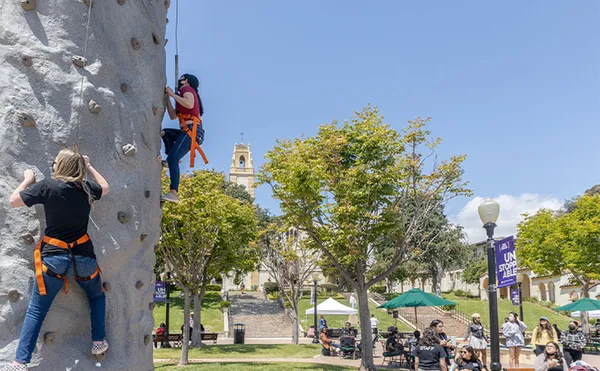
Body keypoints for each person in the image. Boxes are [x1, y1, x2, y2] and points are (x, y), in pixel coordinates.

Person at [4, 149, 110, 371]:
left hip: (53, 257)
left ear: (58, 166)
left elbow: (14, 201)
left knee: (36, 310)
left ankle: (20, 362)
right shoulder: (85, 188)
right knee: (97, 297)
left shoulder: (47, 186)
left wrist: (26, 180)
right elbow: (106, 187)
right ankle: (98, 343)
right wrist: (89, 167)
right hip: (83, 256)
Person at [162, 73, 205, 203]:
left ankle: (173, 192)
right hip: (189, 131)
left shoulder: (187, 89)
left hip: (192, 131)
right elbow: (173, 116)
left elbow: (189, 104)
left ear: (185, 80)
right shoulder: (183, 94)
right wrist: (168, 100)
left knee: (173, 157)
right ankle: (170, 161)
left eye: (181, 78)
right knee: (165, 133)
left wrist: (172, 94)